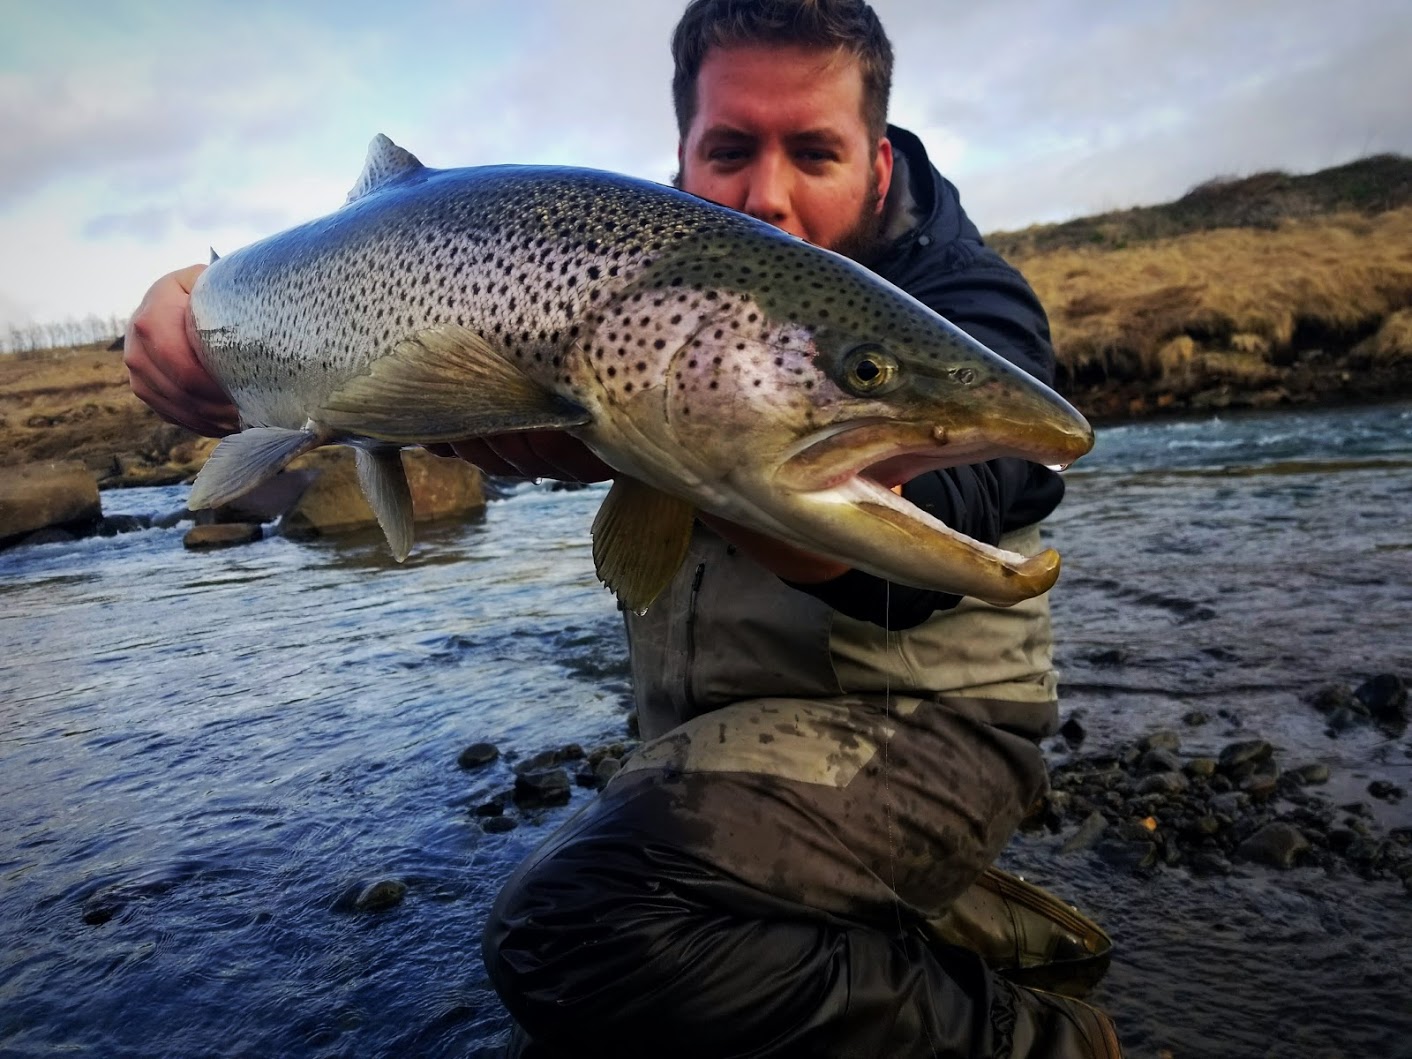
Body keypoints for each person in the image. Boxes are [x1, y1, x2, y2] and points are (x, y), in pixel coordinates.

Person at [125, 3, 1123, 1054]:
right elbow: (245, 301)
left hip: (930, 739)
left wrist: (669, 437)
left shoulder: (967, 301)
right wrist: (189, 303)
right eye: (728, 151)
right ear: (682, 157)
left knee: (576, 931)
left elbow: (925, 554)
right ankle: (886, 914)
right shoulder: (629, 269)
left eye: (813, 152)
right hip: (723, 750)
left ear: (877, 165)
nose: (767, 193)